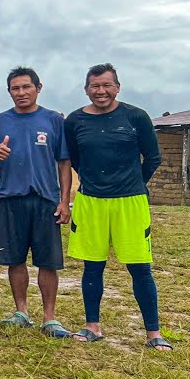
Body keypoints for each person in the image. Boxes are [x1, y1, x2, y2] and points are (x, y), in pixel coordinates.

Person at [64, 64, 169, 350]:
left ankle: (153, 334)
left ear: (118, 87)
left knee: (140, 268)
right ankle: (92, 326)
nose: (101, 91)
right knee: (92, 266)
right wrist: (93, 181)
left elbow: (153, 157)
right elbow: (73, 158)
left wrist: (134, 183)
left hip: (131, 202)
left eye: (107, 85)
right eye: (95, 86)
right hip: (91, 202)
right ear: (87, 89)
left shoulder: (135, 117)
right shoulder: (75, 121)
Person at [0, 66, 73, 338]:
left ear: (38, 88)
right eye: (15, 89)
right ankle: (21, 312)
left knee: (48, 261)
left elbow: (64, 162)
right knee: (14, 259)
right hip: (10, 199)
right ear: (9, 92)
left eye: (26, 87)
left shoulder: (53, 120)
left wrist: (65, 201)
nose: (21, 93)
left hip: (45, 200)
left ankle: (50, 318)